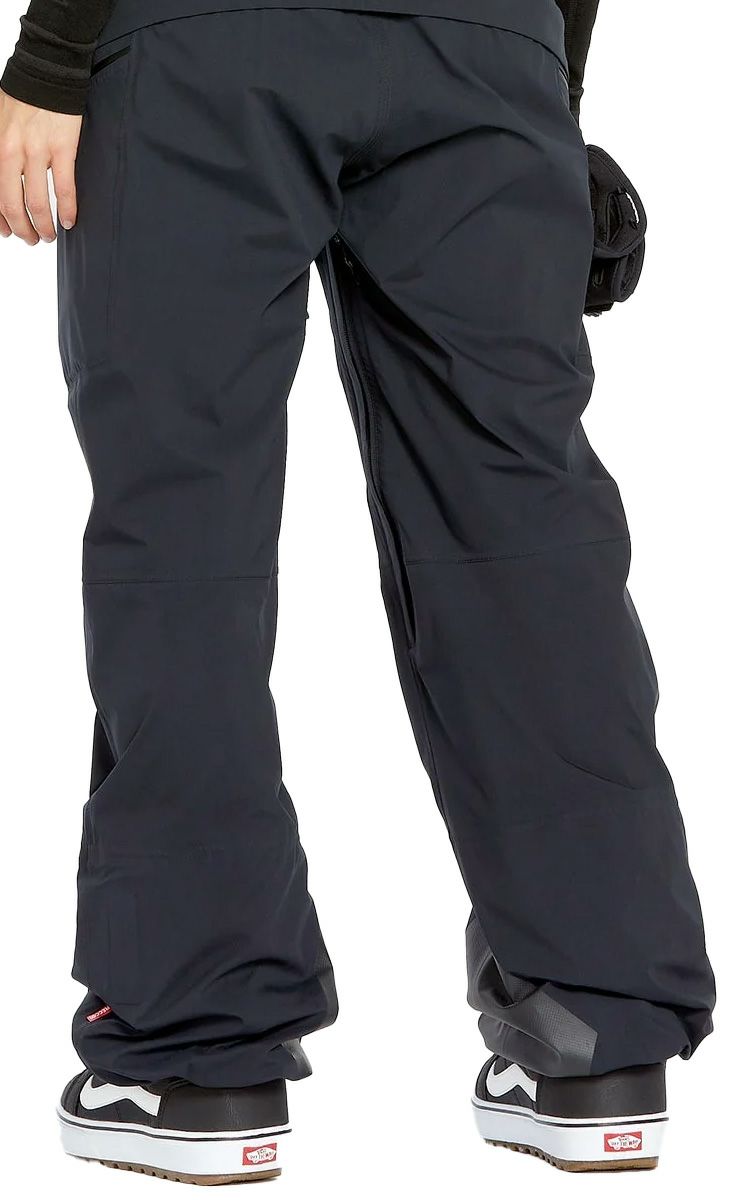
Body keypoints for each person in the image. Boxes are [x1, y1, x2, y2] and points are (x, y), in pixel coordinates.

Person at [0, 0, 715, 1184]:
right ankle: (598, 1028)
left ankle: (196, 1054)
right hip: (485, 43)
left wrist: (56, 48)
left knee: (185, 523)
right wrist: (549, 92)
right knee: (520, 526)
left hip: (203, 41)